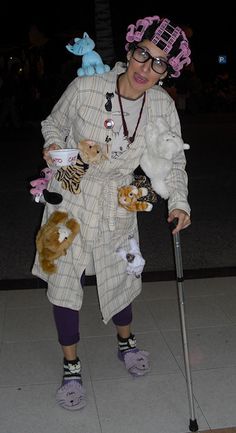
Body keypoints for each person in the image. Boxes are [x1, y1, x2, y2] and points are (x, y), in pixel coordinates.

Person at [32, 14, 191, 411]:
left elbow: (173, 163)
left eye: (159, 63)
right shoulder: (86, 86)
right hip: (69, 189)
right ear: (130, 50)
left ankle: (127, 341)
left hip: (119, 195)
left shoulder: (161, 106)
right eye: (143, 54)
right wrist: (53, 147)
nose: (146, 68)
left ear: (167, 71)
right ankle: (71, 366)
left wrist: (179, 203)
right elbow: (53, 123)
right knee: (64, 278)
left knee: (120, 268)